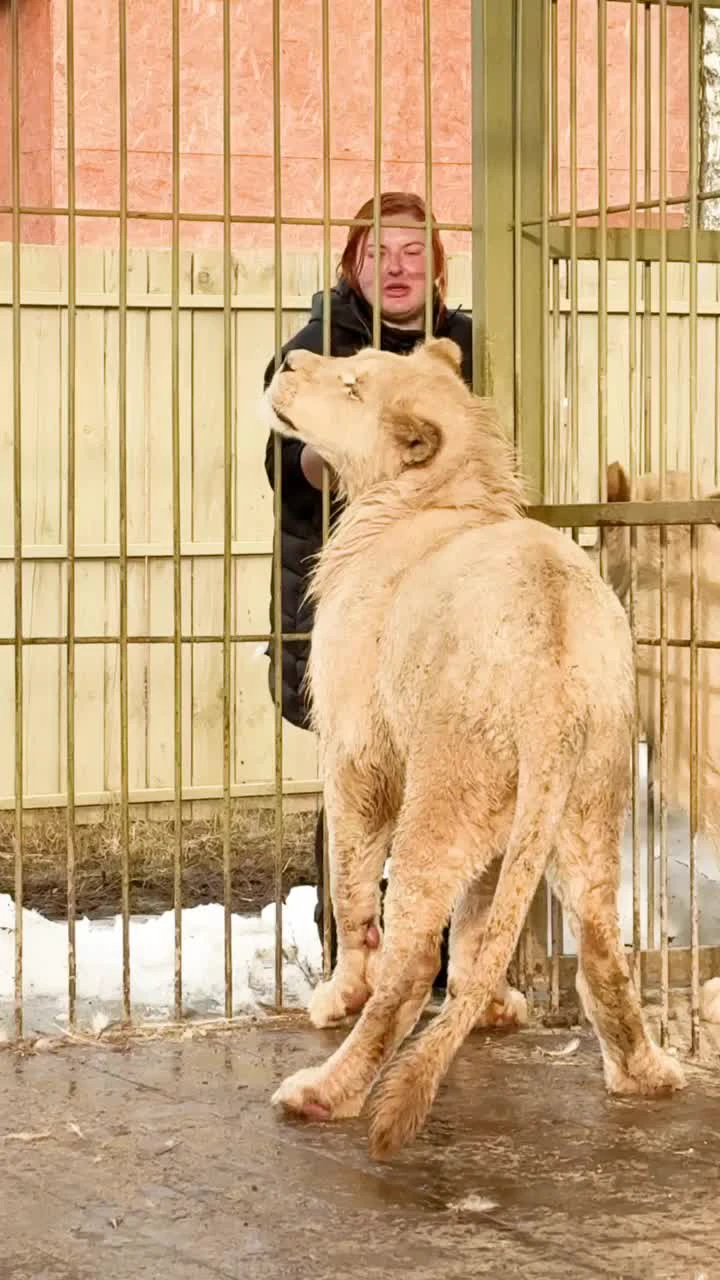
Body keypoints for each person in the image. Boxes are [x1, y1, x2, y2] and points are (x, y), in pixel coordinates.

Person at [263, 191, 474, 985]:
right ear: (350, 263)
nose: (396, 266)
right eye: (377, 251)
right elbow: (290, 466)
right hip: (352, 599)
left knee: (455, 772)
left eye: (413, 251)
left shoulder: (469, 345)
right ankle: (350, 954)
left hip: (453, 597)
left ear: (439, 265)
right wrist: (336, 450)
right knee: (359, 771)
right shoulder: (317, 348)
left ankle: (450, 956)